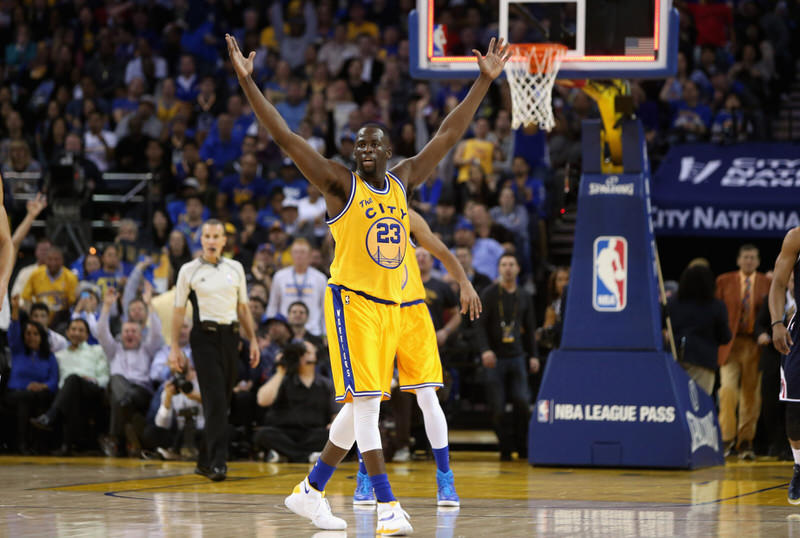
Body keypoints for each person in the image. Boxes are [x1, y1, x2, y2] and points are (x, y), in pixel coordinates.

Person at [228, 32, 509, 533]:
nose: (363, 148)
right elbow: (286, 139)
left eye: (372, 143)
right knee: (366, 405)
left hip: (396, 305)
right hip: (353, 301)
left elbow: (446, 136)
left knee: (365, 405)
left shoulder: (403, 181)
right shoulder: (340, 183)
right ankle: (386, 505)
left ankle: (310, 490)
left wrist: (483, 84)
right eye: (357, 143)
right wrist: (250, 84)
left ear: (388, 151)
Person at [353, 209, 481, 507]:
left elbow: (439, 248)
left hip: (412, 312)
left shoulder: (405, 215)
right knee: (369, 401)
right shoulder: (355, 214)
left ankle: (445, 478)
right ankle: (365, 477)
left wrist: (464, 282)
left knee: (427, 397)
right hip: (374, 313)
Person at [170, 219, 260, 482]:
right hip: (203, 338)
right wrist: (174, 346)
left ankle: (203, 459)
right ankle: (219, 464)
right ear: (201, 240)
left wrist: (253, 340)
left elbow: (243, 308)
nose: (211, 241)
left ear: (223, 240)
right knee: (216, 400)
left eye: (216, 236)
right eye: (206, 236)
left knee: (222, 400)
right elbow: (178, 311)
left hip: (231, 338)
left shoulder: (236, 268)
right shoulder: (189, 270)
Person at [476, 253, 540, 461]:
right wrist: (485, 349)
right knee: (497, 406)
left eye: (512, 264)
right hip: (495, 358)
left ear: (519, 269)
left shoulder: (524, 295)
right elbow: (479, 326)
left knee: (522, 401)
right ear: (498, 269)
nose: (508, 268)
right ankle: (504, 447)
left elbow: (530, 328)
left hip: (518, 356)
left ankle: (523, 446)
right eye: (504, 264)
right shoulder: (490, 293)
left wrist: (534, 355)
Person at [716, 244, 770, 460]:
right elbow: (717, 311)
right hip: (730, 344)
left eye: (753, 258)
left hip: (754, 345)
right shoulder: (723, 281)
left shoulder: (768, 282)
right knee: (727, 391)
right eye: (745, 257)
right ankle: (726, 439)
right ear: (738, 260)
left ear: (758, 262)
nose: (749, 261)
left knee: (751, 395)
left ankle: (746, 441)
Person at [30, 318, 109, 455]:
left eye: (81, 330)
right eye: (73, 329)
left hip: (91, 390)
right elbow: (55, 379)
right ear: (67, 332)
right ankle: (67, 446)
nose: (76, 333)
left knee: (72, 379)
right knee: (70, 386)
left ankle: (50, 416)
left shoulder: (96, 350)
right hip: (68, 393)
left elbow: (105, 377)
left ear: (87, 335)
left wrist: (93, 380)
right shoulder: (59, 356)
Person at [254, 341, 336, 463]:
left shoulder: (326, 384)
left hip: (314, 433)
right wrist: (281, 371)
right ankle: (308, 456)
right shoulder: (283, 379)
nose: (303, 356)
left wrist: (333, 424)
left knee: (333, 436)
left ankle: (285, 454)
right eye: (300, 353)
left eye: (307, 352)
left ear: (316, 356)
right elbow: (262, 400)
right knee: (263, 434)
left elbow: (336, 413)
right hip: (284, 433)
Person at [767, 226, 800, 503]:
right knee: (796, 410)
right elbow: (778, 283)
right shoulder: (796, 237)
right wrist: (777, 322)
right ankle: (799, 465)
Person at [3, 296, 58, 453]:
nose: (31, 337)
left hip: (38, 394)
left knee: (39, 397)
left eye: (35, 334)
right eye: (28, 333)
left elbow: (54, 381)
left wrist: (42, 385)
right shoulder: (18, 350)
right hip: (15, 393)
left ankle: (37, 445)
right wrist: (15, 309)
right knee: (25, 399)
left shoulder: (49, 357)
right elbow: (13, 331)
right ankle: (22, 444)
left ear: (41, 336)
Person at [667, 264, 731, 395]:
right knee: (699, 404)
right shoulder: (716, 306)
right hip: (703, 362)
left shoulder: (672, 303)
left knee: (677, 400)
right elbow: (725, 337)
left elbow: (663, 327)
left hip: (674, 357)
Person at [266, 238, 327, 337]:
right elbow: (273, 305)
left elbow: (324, 309)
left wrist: (325, 334)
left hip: (313, 330)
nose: (299, 255)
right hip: (285, 331)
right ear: (291, 254)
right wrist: (270, 331)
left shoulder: (320, 278)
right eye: (296, 252)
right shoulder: (279, 276)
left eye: (303, 252)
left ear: (310, 255)